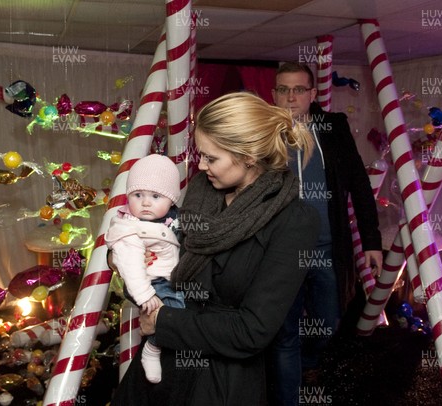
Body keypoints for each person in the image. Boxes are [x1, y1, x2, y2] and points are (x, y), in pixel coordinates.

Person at [110, 92, 320, 406]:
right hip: (162, 365)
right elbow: (157, 248)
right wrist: (120, 258)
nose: (201, 165)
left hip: (221, 380)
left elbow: (253, 330)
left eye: (211, 158)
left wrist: (164, 321)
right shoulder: (202, 193)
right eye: (201, 154)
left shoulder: (294, 220)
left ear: (248, 156)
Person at [268, 62, 383, 404]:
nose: (291, 97)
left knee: (328, 323)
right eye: (283, 89)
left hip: (326, 249)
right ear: (273, 94)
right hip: (279, 254)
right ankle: (289, 397)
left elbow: (360, 186)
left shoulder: (333, 127)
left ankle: (308, 362)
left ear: (312, 94)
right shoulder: (261, 132)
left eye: (298, 89)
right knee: (284, 331)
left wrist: (372, 242)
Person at [105, 154, 185, 384]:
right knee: (171, 311)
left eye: (156, 196)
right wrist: (144, 294)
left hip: (170, 277)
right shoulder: (130, 227)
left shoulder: (172, 218)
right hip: (149, 283)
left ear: (171, 200)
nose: (146, 203)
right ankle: (153, 348)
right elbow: (129, 263)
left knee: (180, 311)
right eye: (138, 195)